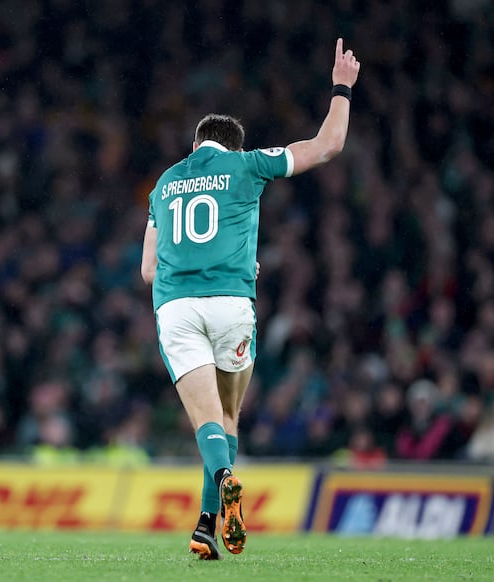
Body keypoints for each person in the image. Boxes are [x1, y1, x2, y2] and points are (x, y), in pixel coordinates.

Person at [140, 38, 360, 560]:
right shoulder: (248, 166)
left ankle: (216, 499)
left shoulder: (164, 184)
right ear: (233, 148)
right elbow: (327, 145)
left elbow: (148, 271)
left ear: (196, 144)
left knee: (206, 422)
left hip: (177, 308)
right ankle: (206, 524)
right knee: (228, 417)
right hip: (232, 305)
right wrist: (342, 88)